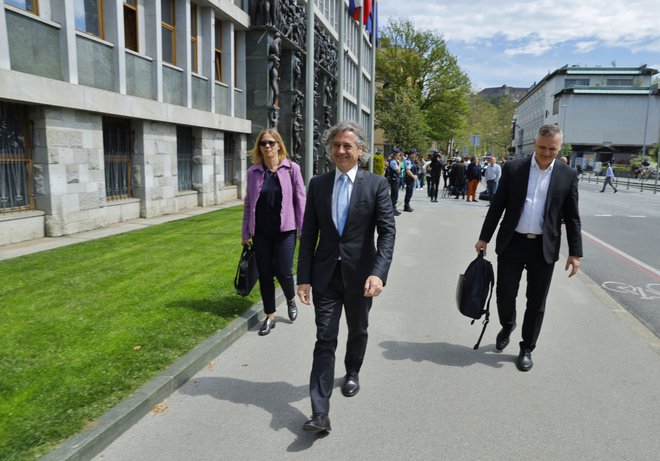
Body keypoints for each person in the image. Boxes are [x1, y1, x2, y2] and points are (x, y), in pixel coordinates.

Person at [296, 121, 396, 433]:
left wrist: (378, 274)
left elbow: (387, 233)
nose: (341, 150)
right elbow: (309, 232)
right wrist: (303, 277)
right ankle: (319, 413)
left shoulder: (376, 185)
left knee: (358, 329)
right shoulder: (318, 184)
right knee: (325, 338)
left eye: (347, 146)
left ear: (361, 151)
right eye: (336, 145)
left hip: (360, 277)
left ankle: (352, 369)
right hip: (326, 275)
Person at [474, 124, 582, 372]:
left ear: (559, 147)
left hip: (543, 248)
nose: (546, 153)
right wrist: (484, 238)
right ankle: (508, 324)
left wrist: (575, 253)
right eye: (542, 147)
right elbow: (497, 206)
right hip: (512, 243)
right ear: (535, 143)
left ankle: (526, 348)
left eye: (552, 149)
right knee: (504, 295)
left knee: (536, 302)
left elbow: (573, 217)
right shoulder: (514, 169)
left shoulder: (567, 175)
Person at [242, 129, 306, 336]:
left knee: (284, 271)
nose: (267, 147)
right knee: (265, 274)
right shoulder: (253, 172)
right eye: (263, 143)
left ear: (279, 145)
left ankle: (290, 298)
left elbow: (300, 201)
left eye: (271, 143)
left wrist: (303, 230)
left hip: (285, 230)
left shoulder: (291, 169)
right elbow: (248, 203)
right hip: (260, 232)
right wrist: (245, 232)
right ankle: (270, 315)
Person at [387, 149, 402, 215]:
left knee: (395, 195)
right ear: (396, 154)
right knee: (394, 195)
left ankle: (394, 208)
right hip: (393, 179)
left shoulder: (395, 161)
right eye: (399, 154)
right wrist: (400, 163)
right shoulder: (393, 161)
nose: (400, 155)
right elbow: (398, 170)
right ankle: (391, 210)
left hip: (396, 179)